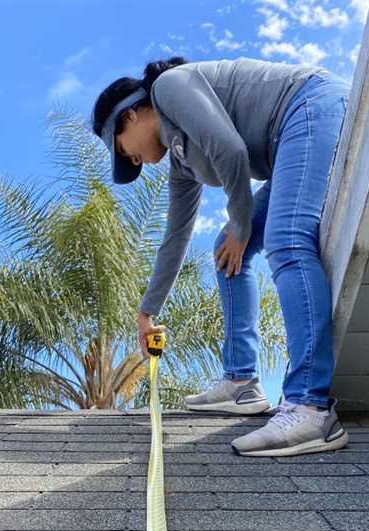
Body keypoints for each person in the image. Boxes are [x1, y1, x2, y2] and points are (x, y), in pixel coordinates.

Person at [90, 55, 351, 457]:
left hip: (310, 106)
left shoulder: (169, 88)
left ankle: (310, 408)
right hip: (292, 140)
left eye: (120, 149)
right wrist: (146, 313)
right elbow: (176, 236)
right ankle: (241, 383)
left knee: (286, 238)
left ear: (129, 116)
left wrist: (242, 228)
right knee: (224, 250)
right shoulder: (182, 160)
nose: (130, 160)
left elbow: (231, 151)